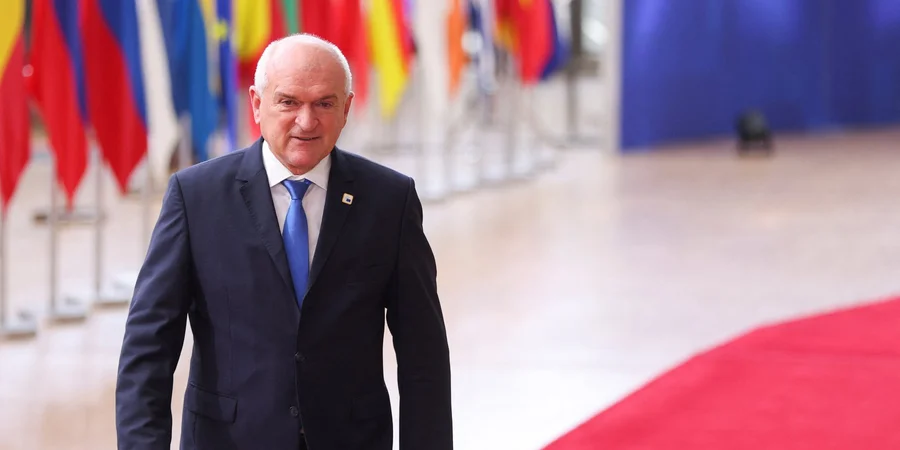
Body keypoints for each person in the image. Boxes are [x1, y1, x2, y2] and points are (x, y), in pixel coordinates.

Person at [115, 34, 453, 450]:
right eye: (288, 102)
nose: (306, 122)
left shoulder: (389, 200)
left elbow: (423, 355)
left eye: (324, 103)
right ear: (257, 104)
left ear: (346, 108)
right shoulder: (196, 197)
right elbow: (148, 348)